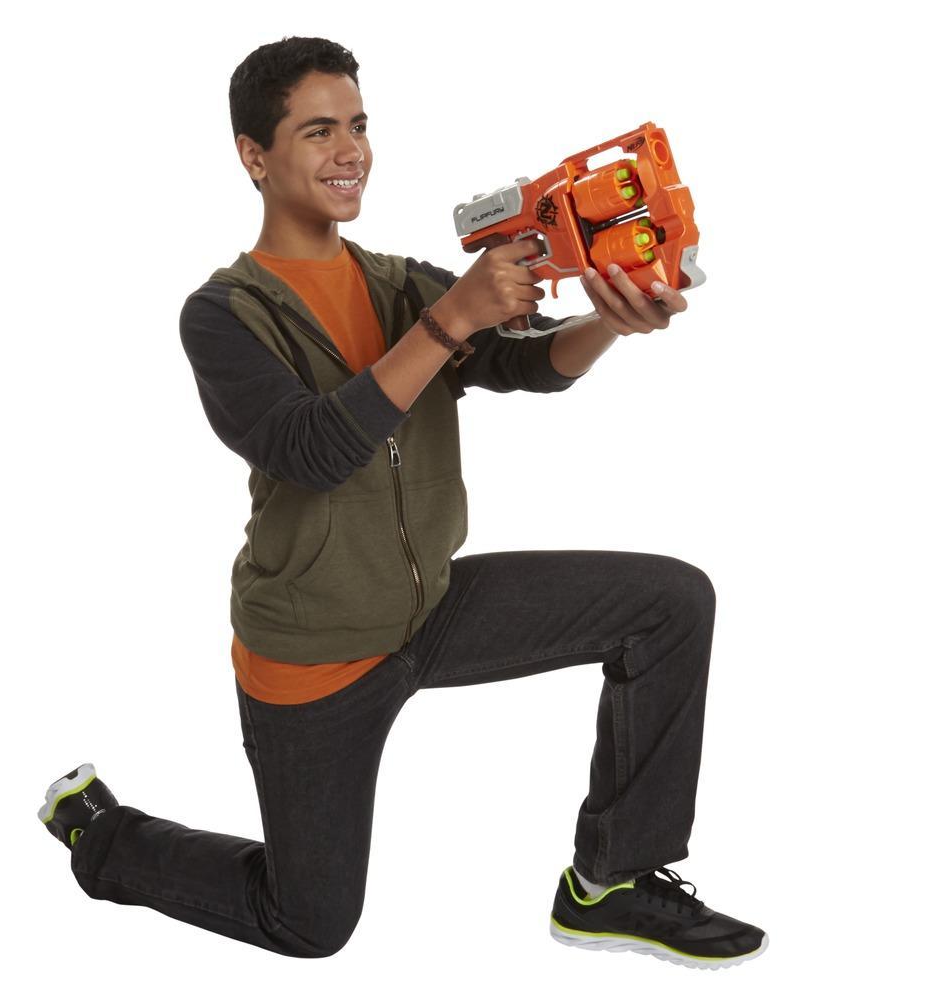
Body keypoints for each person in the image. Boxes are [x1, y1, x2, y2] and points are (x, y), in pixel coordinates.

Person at [37, 36, 769, 969]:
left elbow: (522, 364)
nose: (350, 150)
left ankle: (610, 884)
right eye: (318, 131)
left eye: (358, 124)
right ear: (254, 155)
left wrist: (609, 324)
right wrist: (452, 316)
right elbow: (312, 449)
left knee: (670, 602)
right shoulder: (222, 313)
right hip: (316, 650)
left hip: (429, 608)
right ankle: (102, 835)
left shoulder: (397, 282)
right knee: (309, 923)